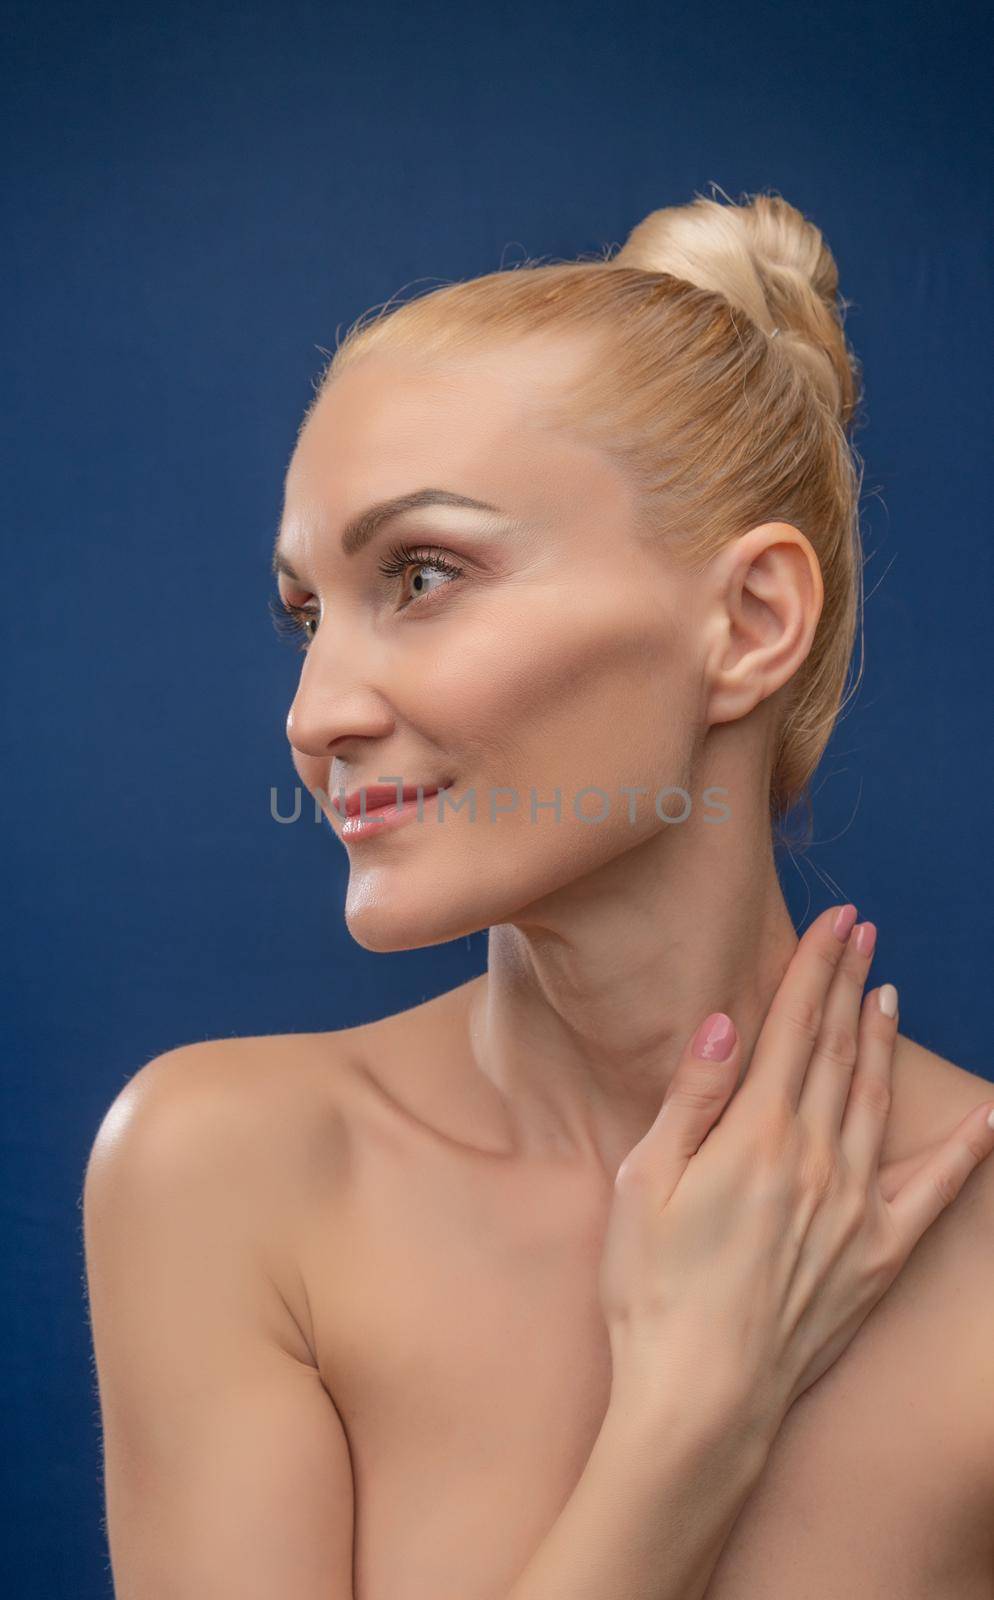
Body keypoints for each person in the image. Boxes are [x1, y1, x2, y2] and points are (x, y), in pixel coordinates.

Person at [83, 190, 994, 1599]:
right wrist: (684, 1424)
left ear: (748, 622)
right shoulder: (223, 1176)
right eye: (305, 611)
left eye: (423, 574)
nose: (313, 712)